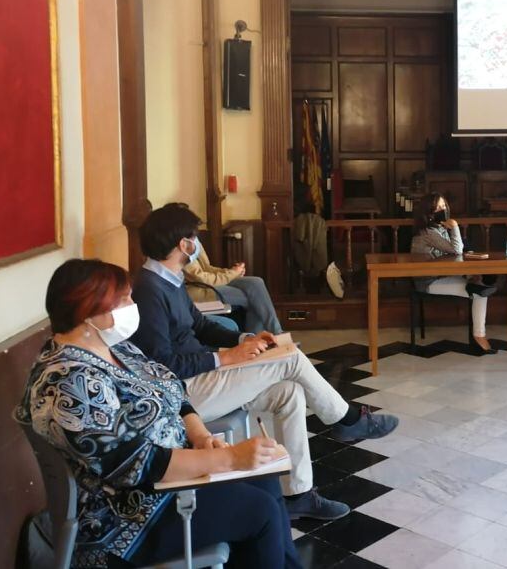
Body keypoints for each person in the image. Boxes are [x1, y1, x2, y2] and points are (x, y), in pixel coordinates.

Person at [15, 259, 300, 569]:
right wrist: (232, 459)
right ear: (89, 312)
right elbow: (138, 465)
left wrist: (201, 436)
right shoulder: (69, 383)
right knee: (260, 514)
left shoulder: (114, 348)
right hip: (126, 516)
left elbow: (172, 387)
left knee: (265, 483)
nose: (132, 305)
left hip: (167, 480)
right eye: (123, 300)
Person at [130, 203, 398, 522]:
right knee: (291, 359)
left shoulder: (170, 277)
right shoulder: (148, 289)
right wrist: (225, 357)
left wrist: (247, 339)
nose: (197, 241)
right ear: (182, 244)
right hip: (184, 394)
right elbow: (163, 364)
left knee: (289, 392)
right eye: (194, 236)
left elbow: (200, 325)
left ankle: (298, 494)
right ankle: (348, 419)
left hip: (204, 377)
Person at [411, 192, 498, 354]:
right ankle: (479, 336)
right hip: (428, 282)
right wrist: (455, 227)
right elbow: (455, 250)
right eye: (437, 208)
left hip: (443, 275)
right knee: (481, 293)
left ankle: (476, 283)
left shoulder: (439, 228)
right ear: (428, 212)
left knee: (480, 287)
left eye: (444, 206)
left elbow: (456, 252)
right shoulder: (427, 233)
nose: (441, 210)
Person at [183, 238, 284, 334]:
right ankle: (269, 335)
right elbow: (201, 278)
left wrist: (231, 271)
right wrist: (232, 274)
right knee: (253, 299)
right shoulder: (182, 247)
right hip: (197, 290)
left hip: (209, 284)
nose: (195, 237)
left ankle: (275, 332)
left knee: (256, 282)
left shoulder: (195, 240)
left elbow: (207, 268)